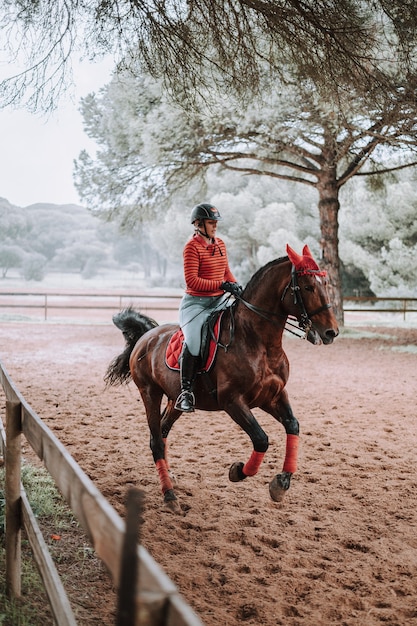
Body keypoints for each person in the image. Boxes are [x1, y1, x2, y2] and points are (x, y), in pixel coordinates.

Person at [175, 203, 242, 412]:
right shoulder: (191, 247)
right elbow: (192, 281)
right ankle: (186, 391)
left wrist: (236, 286)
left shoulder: (220, 243)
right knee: (194, 341)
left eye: (215, 223)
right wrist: (221, 285)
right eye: (211, 223)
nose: (215, 226)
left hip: (219, 300)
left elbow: (226, 271)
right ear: (198, 224)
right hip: (196, 304)